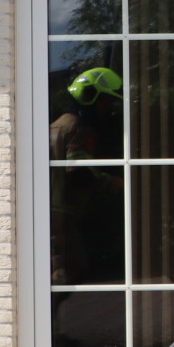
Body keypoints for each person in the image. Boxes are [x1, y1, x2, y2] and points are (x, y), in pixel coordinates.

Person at [49, 66, 123, 285]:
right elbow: (79, 171)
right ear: (91, 97)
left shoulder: (58, 124)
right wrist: (112, 183)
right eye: (106, 101)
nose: (107, 109)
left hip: (52, 212)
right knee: (70, 272)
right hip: (63, 215)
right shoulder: (80, 129)